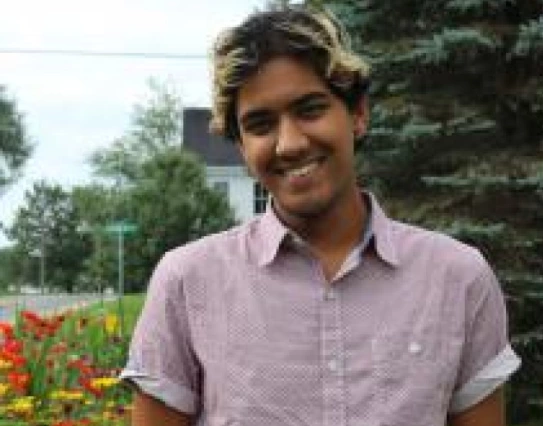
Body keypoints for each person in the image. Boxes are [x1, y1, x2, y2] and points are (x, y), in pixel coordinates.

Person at [120, 5, 521, 426]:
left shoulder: (457, 278)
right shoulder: (188, 282)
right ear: (241, 148)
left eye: (310, 109)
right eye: (260, 124)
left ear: (358, 114)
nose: (289, 143)